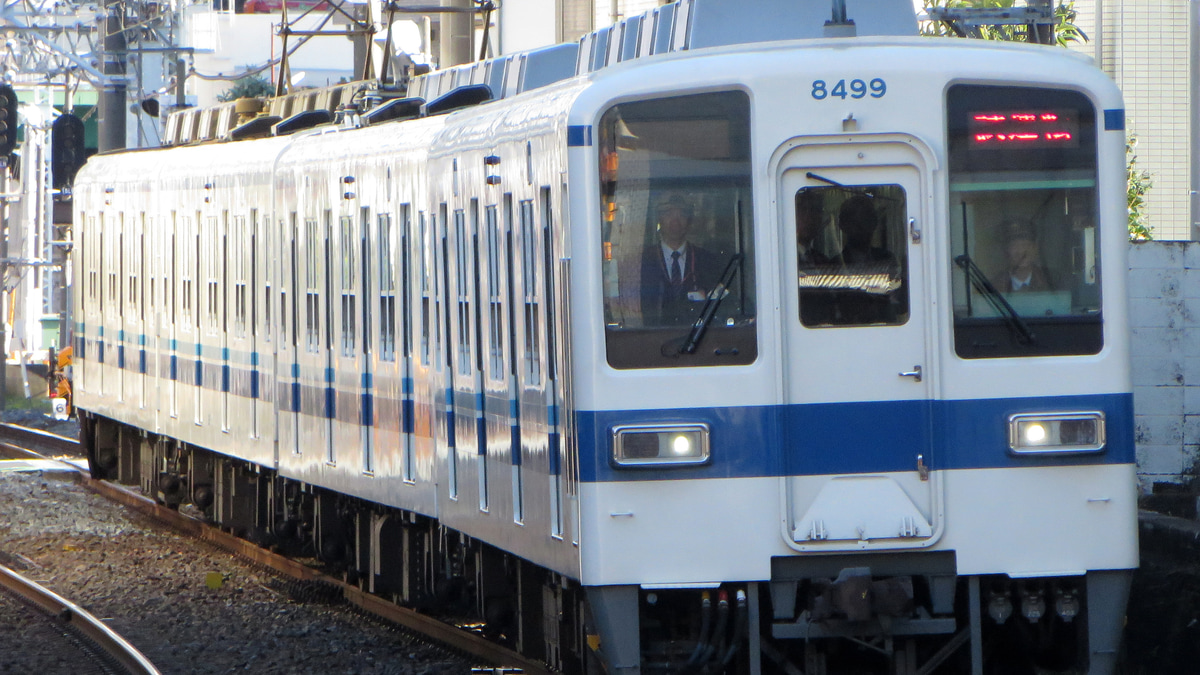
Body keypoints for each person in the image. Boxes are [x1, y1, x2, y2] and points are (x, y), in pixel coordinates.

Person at [639, 193, 722, 325]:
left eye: (681, 214)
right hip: (653, 339)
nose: (675, 221)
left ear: (689, 220)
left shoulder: (706, 260)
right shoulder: (644, 261)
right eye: (668, 214)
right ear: (659, 218)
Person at [996, 219, 1055, 292]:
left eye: (1026, 245)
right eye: (1015, 246)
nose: (1021, 251)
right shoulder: (993, 287)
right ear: (1006, 250)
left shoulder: (1053, 282)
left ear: (1035, 248)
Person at [796, 190, 829, 267]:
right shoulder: (781, 256)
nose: (808, 218)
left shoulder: (823, 261)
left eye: (815, 212)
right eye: (803, 211)